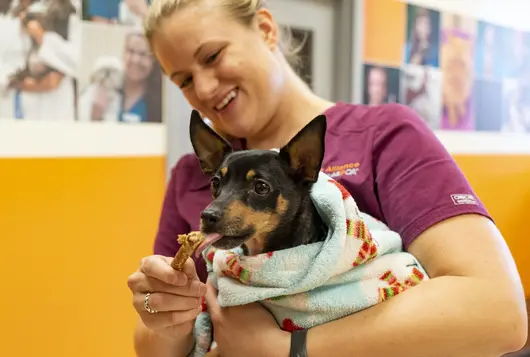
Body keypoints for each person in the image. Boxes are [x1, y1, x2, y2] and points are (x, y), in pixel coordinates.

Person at [127, 0, 528, 356]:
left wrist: (289, 349)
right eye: (183, 80)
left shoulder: (383, 135)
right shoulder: (193, 175)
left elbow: (499, 313)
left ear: (265, 29)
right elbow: (154, 347)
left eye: (212, 56)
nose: (205, 87)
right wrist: (160, 311)